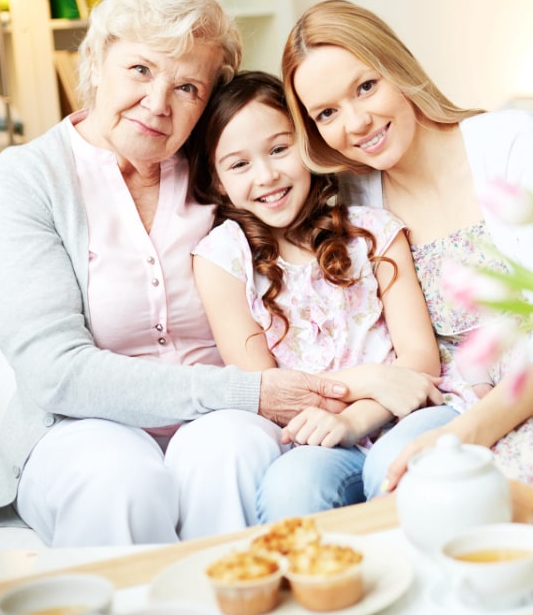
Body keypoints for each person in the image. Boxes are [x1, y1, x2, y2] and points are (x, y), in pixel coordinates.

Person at [0, 0, 433, 548]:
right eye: (140, 70)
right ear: (98, 61)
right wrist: (251, 393)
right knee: (117, 481)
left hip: (224, 417)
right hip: (84, 423)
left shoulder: (220, 169)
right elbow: (56, 371)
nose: (158, 104)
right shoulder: (25, 180)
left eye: (188, 87)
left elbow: (329, 188)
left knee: (232, 452)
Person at [278, 0, 533, 520]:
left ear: (398, 70)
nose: (356, 122)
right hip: (461, 397)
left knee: (523, 499)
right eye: (327, 114)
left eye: (365, 87)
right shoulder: (356, 195)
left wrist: (465, 433)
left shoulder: (509, 142)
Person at [188, 71, 449, 517]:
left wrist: (355, 417)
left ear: (307, 145)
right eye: (239, 164)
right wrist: (371, 379)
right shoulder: (222, 260)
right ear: (215, 181)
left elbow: (420, 362)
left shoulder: (374, 231)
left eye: (278, 149)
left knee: (397, 466)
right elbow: (264, 389)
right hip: (316, 435)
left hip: (411, 410)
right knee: (291, 488)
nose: (267, 175)